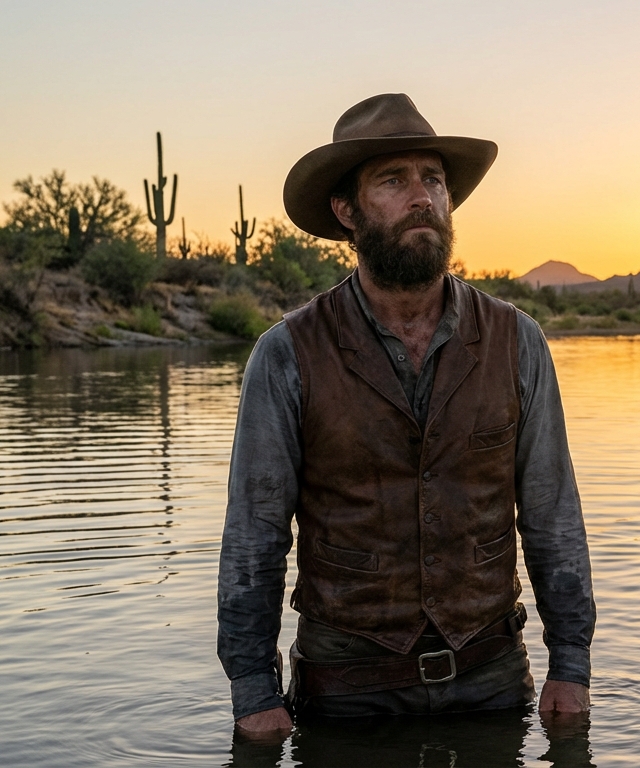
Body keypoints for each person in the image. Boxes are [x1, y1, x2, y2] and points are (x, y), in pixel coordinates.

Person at [217, 94, 595, 737]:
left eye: (434, 179)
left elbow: (552, 514)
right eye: (394, 180)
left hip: (493, 680)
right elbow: (255, 535)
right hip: (344, 691)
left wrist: (573, 662)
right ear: (347, 212)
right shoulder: (287, 355)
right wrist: (253, 688)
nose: (423, 197)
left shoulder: (516, 341)